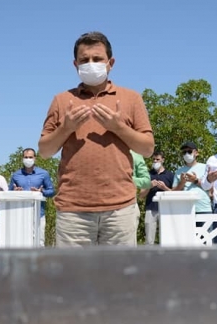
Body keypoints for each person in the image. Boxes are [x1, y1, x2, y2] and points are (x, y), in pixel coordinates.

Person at [38, 31, 154, 247]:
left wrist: (118, 127)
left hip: (120, 209)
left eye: (97, 59)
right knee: (74, 278)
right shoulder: (62, 100)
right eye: (84, 60)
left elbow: (147, 149)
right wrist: (66, 128)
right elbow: (44, 151)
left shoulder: (131, 98)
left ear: (110, 63)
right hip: (73, 211)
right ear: (75, 64)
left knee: (119, 278)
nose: (91, 64)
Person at [9, 148, 55, 247]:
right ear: (22, 159)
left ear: (35, 158)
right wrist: (15, 192)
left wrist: (41, 191)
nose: (28, 159)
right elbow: (9, 192)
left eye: (30, 157)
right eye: (26, 157)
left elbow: (51, 191)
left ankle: (40, 262)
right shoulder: (16, 175)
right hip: (20, 214)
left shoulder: (43, 174)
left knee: (39, 242)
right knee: (21, 242)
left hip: (39, 213)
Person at [172, 142, 212, 227]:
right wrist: (182, 183)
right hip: (185, 210)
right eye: (184, 152)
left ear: (196, 153)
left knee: (206, 239)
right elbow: (173, 192)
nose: (186, 154)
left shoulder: (205, 168)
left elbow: (212, 190)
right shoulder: (178, 171)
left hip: (203, 209)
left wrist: (195, 180)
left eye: (189, 151)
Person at [139, 151, 175, 245]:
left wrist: (165, 188)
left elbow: (175, 194)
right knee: (149, 240)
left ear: (163, 160)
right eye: (154, 159)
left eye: (157, 159)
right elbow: (141, 195)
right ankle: (148, 258)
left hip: (166, 210)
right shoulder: (148, 175)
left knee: (167, 239)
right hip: (151, 209)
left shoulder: (170, 175)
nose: (155, 161)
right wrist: (149, 186)